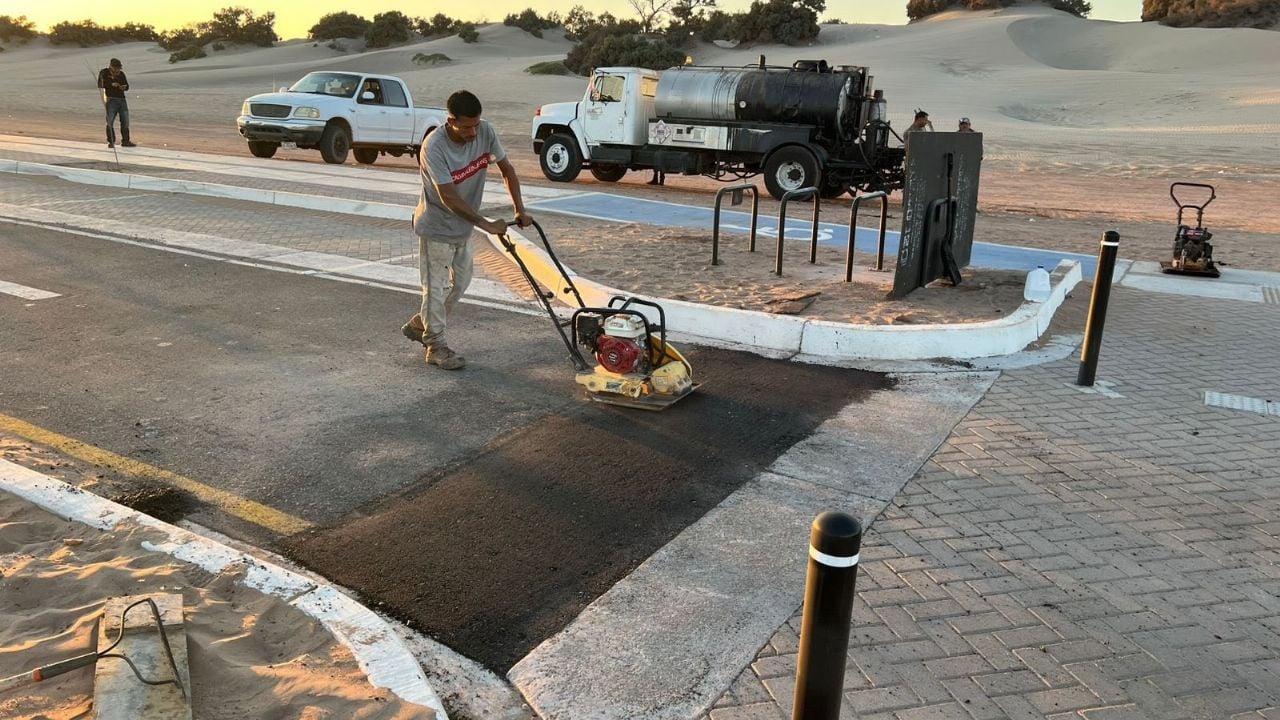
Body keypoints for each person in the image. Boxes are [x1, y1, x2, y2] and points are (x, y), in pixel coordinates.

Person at [402, 90, 532, 370]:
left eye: (476, 124)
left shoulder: (486, 132)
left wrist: (519, 209)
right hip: (436, 228)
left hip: (463, 226)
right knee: (435, 289)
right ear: (450, 121)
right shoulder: (433, 146)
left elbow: (507, 170)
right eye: (466, 127)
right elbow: (448, 195)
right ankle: (436, 347)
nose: (473, 132)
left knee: (460, 284)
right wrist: (485, 224)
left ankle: (421, 324)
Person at [97, 58, 135, 148]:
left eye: (118, 68)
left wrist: (124, 87)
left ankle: (126, 141)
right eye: (116, 68)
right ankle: (111, 141)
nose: (117, 70)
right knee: (110, 121)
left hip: (122, 99)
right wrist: (111, 84)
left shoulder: (121, 74)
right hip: (110, 99)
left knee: (125, 121)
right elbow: (100, 84)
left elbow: (127, 86)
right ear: (111, 66)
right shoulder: (104, 72)